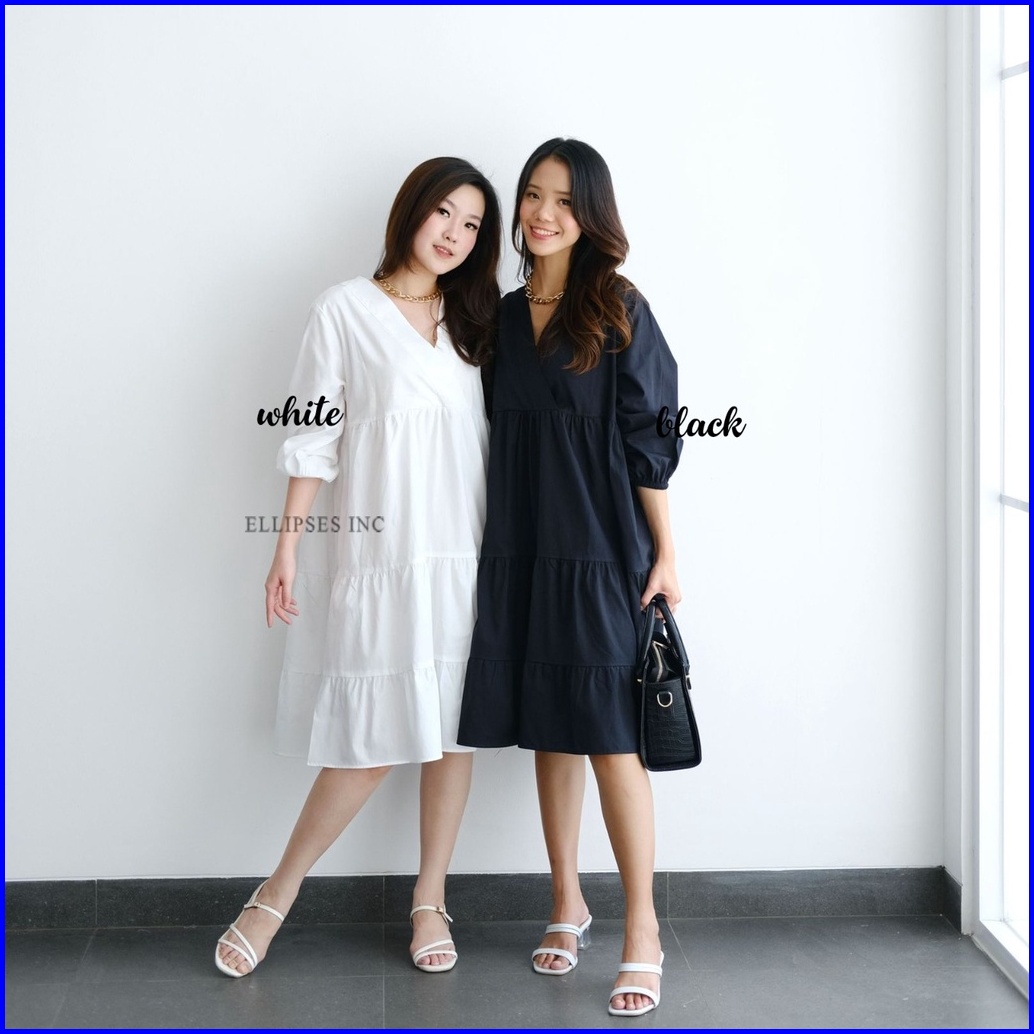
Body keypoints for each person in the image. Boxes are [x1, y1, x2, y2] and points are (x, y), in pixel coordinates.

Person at [215, 157, 501, 978]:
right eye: (443, 213)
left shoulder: (476, 321)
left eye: (472, 224)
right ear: (412, 211)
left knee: (452, 732)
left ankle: (430, 899)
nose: (454, 234)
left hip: (467, 552)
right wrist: (286, 544)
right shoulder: (342, 309)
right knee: (370, 737)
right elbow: (314, 436)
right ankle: (274, 894)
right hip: (385, 554)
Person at [457, 138, 681, 1018]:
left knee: (611, 738)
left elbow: (650, 437)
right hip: (519, 546)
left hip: (599, 547)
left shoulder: (618, 307)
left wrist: (665, 553)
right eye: (532, 195)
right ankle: (566, 900)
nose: (543, 214)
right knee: (552, 729)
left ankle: (643, 930)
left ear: (591, 214)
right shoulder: (502, 318)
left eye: (562, 199)